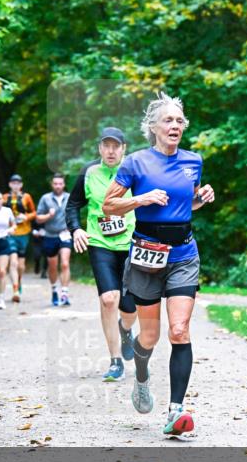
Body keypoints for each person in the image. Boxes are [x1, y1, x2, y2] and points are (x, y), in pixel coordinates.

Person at [102, 93, 215, 436]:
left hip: (183, 254)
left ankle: (176, 410)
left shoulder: (193, 161)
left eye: (180, 121)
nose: (175, 125)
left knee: (179, 330)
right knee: (149, 336)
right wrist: (141, 199)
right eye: (168, 120)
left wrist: (201, 198)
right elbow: (109, 205)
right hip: (147, 255)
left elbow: (187, 204)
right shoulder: (136, 163)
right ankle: (141, 376)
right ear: (153, 127)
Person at [66, 127, 138, 382]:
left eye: (115, 146)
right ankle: (115, 361)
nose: (110, 151)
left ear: (123, 148)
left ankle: (125, 328)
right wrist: (76, 229)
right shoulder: (89, 172)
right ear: (99, 148)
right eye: (106, 146)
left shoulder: (134, 171)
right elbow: (73, 204)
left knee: (130, 307)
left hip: (130, 244)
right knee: (109, 299)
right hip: (100, 242)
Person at [36, 173, 73, 307]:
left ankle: (65, 293)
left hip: (65, 235)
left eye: (60, 183)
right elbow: (38, 218)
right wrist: (48, 215)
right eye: (55, 183)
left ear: (64, 185)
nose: (58, 186)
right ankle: (54, 290)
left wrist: (72, 227)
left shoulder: (69, 197)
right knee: (52, 266)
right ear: (52, 185)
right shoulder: (45, 198)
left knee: (65, 263)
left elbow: (74, 214)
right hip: (50, 236)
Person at [2, 174, 36, 302]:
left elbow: (34, 212)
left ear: (21, 185)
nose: (15, 186)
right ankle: (15, 290)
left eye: (18, 183)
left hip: (24, 233)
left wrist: (26, 217)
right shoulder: (5, 197)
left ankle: (19, 281)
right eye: (13, 183)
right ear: (10, 184)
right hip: (10, 233)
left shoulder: (27, 197)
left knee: (21, 266)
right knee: (13, 263)